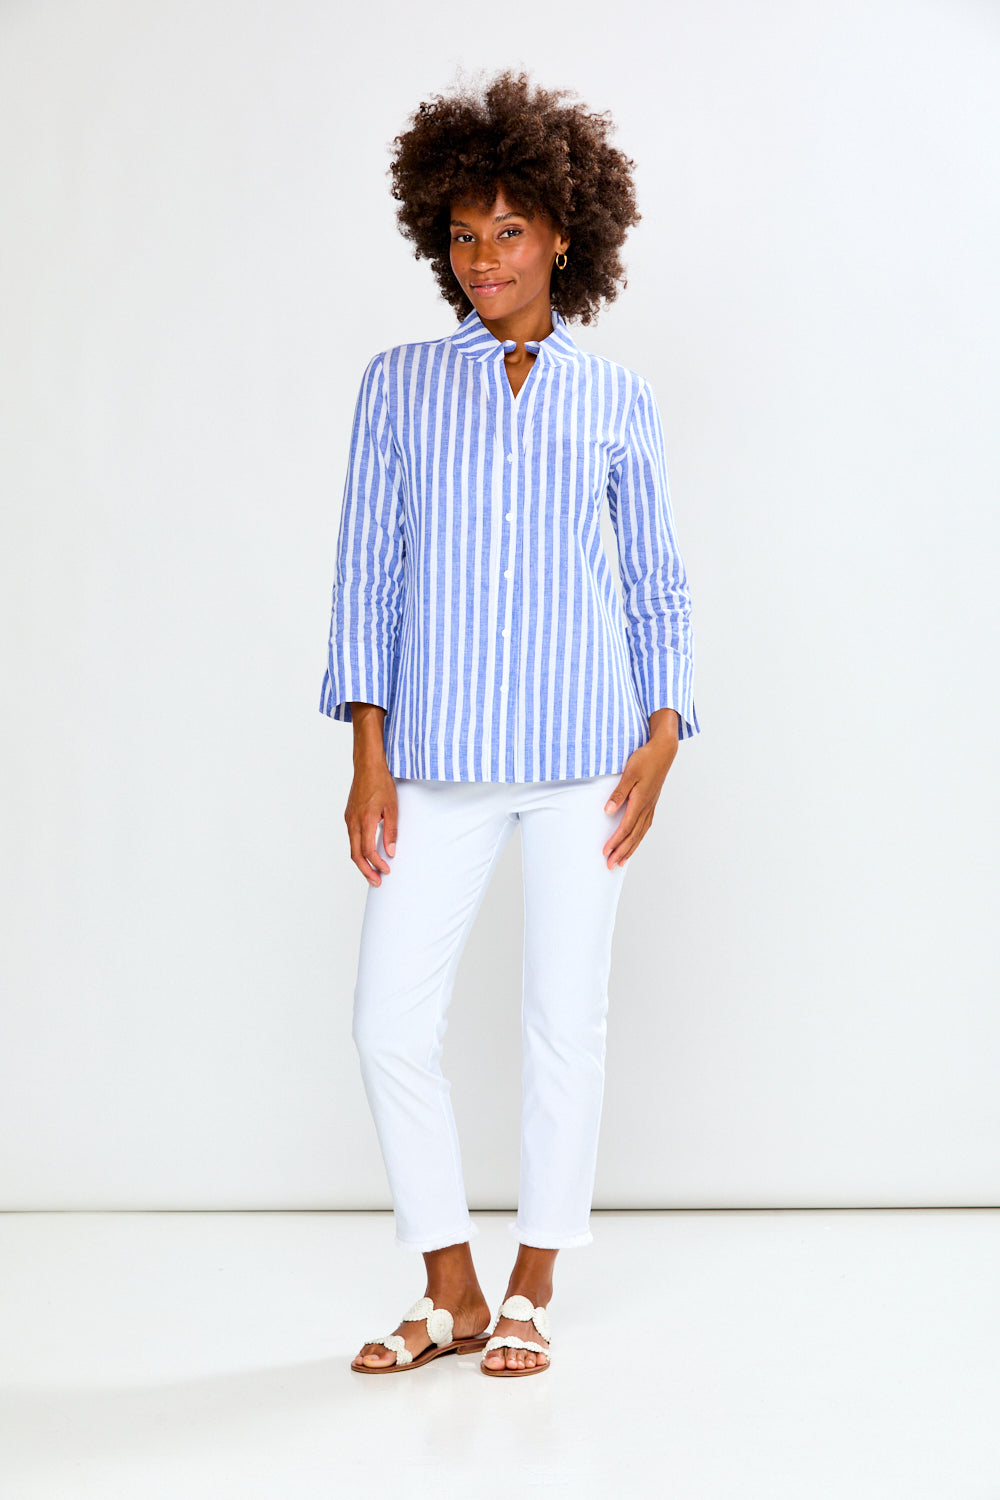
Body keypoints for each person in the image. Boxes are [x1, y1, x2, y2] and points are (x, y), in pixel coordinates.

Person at [319, 68, 700, 1377]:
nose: (484, 257)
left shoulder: (617, 402)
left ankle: (534, 1278)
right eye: (463, 234)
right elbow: (366, 571)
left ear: (564, 236)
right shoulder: (399, 385)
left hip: (586, 760)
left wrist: (661, 735)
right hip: (433, 760)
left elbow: (654, 579)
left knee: (561, 1017)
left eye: (510, 232)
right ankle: (450, 1285)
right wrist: (367, 749)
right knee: (386, 1022)